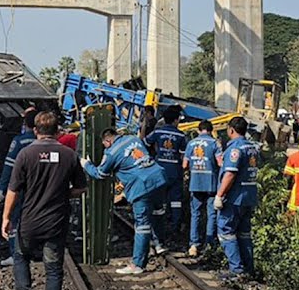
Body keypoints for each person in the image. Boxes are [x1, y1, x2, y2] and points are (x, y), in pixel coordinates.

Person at [2, 112, 86, 290]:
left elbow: (13, 190)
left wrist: (6, 217)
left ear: (35, 130)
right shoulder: (69, 155)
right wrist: (63, 193)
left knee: (21, 256)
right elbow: (81, 188)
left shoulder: (25, 154)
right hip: (56, 222)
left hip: (29, 220)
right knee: (53, 268)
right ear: (57, 131)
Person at [82, 126, 169, 274]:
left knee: (142, 226)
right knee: (158, 212)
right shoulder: (134, 139)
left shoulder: (111, 153)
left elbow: (100, 174)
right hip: (159, 177)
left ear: (108, 141)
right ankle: (159, 244)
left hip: (141, 186)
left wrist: (86, 164)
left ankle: (138, 265)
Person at [215, 117, 260, 281]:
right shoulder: (252, 148)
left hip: (235, 197)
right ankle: (248, 268)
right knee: (244, 233)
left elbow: (230, 174)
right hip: (249, 196)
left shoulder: (235, 149)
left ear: (231, 130)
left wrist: (219, 195)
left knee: (226, 231)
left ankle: (236, 270)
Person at [0, 108, 40, 267]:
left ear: (25, 123)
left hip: (21, 187)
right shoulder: (43, 143)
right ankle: (34, 249)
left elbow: (9, 166)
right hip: (39, 187)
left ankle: (15, 253)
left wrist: (1, 189)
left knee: (15, 220)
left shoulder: (19, 142)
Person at [146, 105, 188, 233]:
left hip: (159, 170)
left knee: (159, 199)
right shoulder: (181, 135)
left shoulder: (158, 132)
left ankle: (159, 228)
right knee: (176, 201)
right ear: (175, 120)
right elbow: (183, 155)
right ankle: (175, 226)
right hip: (175, 171)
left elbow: (146, 142)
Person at [183, 119, 221, 256]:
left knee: (195, 214)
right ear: (211, 131)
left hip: (195, 183)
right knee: (211, 214)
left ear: (199, 130)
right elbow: (220, 162)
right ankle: (209, 245)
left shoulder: (191, 143)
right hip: (211, 183)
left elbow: (184, 165)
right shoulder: (214, 143)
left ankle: (194, 245)